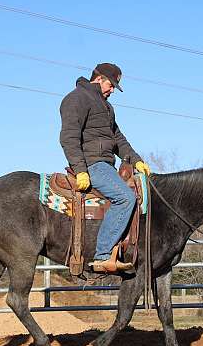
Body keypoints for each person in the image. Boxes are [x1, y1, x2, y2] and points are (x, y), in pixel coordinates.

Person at [59, 62, 150, 273]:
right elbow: (68, 137)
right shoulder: (76, 98)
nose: (112, 91)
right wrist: (81, 169)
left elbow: (118, 139)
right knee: (125, 198)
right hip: (93, 163)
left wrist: (136, 160)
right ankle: (102, 256)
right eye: (111, 85)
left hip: (106, 164)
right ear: (99, 78)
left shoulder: (106, 106)